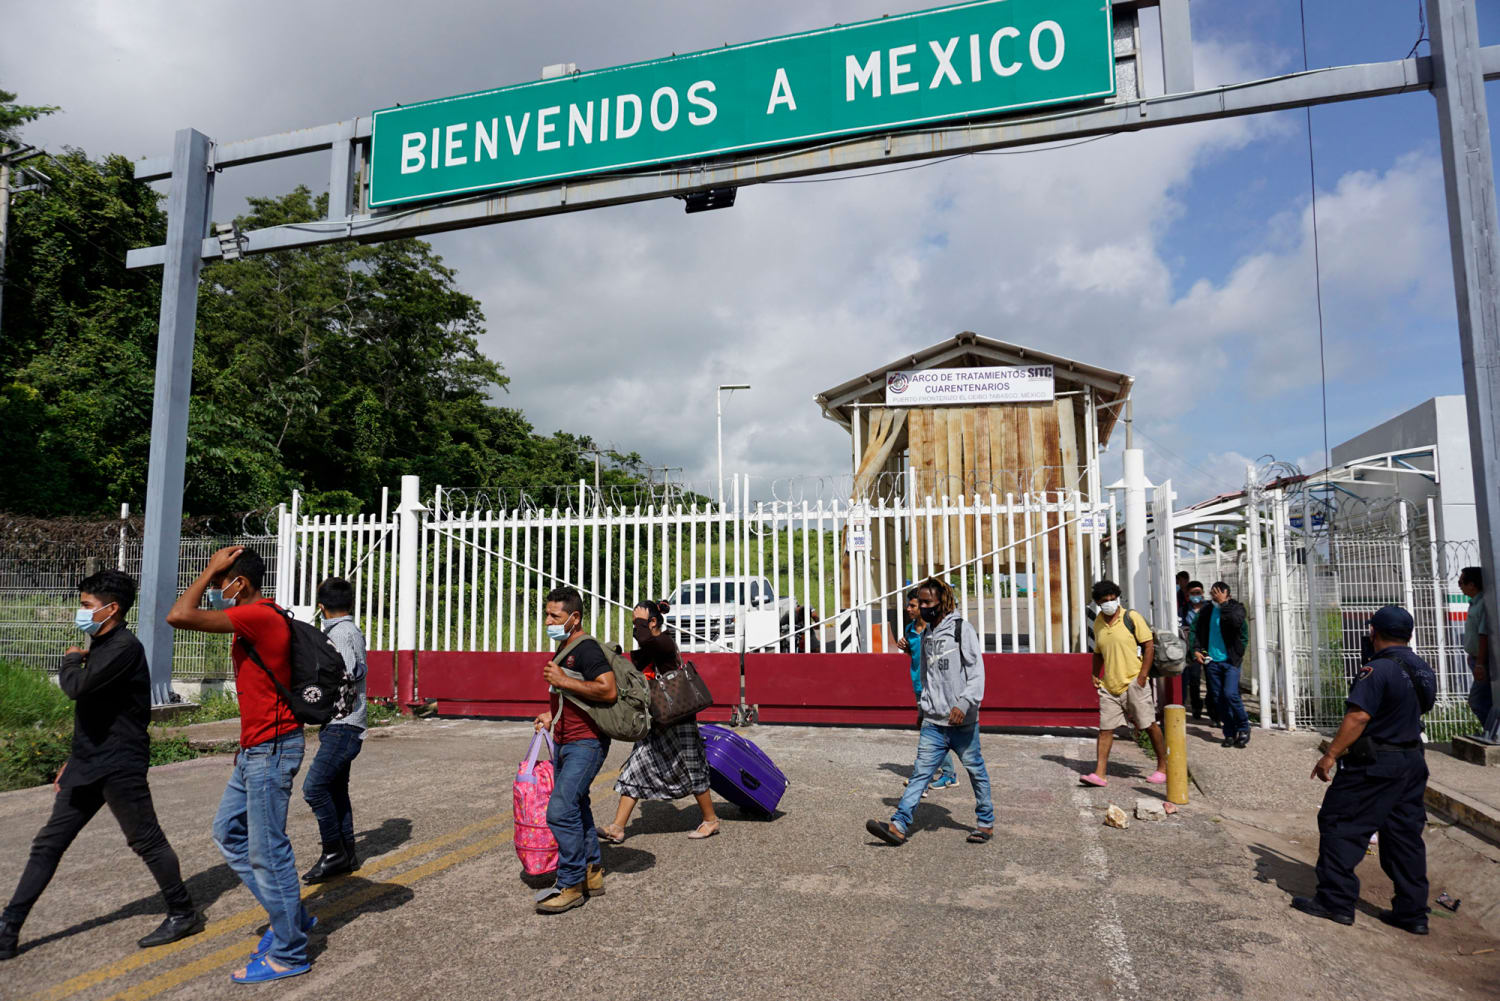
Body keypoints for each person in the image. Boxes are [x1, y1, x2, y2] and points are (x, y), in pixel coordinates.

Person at [0, 571, 202, 962]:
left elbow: (77, 688)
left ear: (112, 608)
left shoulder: (123, 647)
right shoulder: (104, 646)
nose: (81, 612)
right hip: (89, 762)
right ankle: (9, 928)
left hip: (119, 763)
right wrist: (72, 762)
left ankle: (182, 912)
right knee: (49, 843)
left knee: (145, 839)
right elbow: (93, 714)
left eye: (87, 605)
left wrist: (71, 661)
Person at [166, 547, 313, 983]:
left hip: (270, 750)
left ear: (239, 583)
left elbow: (178, 615)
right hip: (256, 750)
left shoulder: (258, 616)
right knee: (228, 832)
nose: (213, 591)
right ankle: (293, 916)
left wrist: (211, 566)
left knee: (268, 852)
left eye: (217, 584)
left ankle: (289, 952)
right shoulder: (257, 616)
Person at [1292, 606, 1436, 933]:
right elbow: (1421, 706)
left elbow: (1358, 717)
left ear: (1374, 632)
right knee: (1403, 836)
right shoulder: (1423, 669)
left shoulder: (1377, 670)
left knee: (1341, 822)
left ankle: (1335, 902)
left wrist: (1330, 755)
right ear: (1409, 634)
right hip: (1412, 761)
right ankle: (1412, 914)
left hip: (1375, 763)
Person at [866, 577, 994, 846]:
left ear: (942, 602)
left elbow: (977, 674)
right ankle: (898, 826)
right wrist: (924, 707)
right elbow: (926, 676)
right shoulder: (925, 635)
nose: (922, 606)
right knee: (920, 774)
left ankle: (985, 823)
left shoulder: (962, 630)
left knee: (976, 771)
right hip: (934, 722)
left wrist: (963, 704)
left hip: (963, 722)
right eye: (920, 602)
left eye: (927, 602)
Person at [598, 600, 719, 843]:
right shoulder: (651, 648)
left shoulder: (664, 641)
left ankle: (710, 820)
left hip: (679, 717)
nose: (636, 629)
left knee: (692, 766)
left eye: (639, 623)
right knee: (635, 767)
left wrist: (643, 626)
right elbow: (635, 662)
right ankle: (617, 827)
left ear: (653, 622)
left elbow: (645, 641)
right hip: (660, 719)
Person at [532, 586, 617, 914]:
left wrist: (564, 681)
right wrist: (550, 715)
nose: (548, 620)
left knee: (560, 810)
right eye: (547, 613)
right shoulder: (562, 648)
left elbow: (607, 690)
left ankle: (570, 884)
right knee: (578, 807)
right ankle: (592, 872)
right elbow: (570, 697)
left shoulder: (586, 649)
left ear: (574, 617)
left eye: (555, 615)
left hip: (587, 743)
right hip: (566, 740)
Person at [300, 578, 368, 883]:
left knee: (314, 788)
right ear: (351, 604)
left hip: (344, 724)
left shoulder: (341, 633)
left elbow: (347, 672)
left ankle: (333, 852)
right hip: (343, 724)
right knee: (336, 789)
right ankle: (347, 852)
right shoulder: (345, 631)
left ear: (321, 606)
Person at [1080, 580, 1168, 788]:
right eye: (1105, 601)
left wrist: (1142, 677)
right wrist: (1095, 673)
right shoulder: (1099, 622)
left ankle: (1163, 766)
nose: (1110, 603)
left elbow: (1148, 646)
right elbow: (1098, 652)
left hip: (1133, 682)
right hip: (1110, 685)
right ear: (1098, 603)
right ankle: (1100, 773)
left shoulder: (1132, 617)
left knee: (1148, 725)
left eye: (1113, 599)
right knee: (1105, 729)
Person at [895, 589, 957, 791]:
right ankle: (941, 774)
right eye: (909, 605)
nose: (909, 609)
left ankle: (938, 775)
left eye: (913, 605)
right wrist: (905, 648)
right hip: (919, 686)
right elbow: (915, 657)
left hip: (935, 687)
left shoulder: (935, 629)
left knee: (932, 731)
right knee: (932, 731)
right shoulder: (910, 629)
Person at [1192, 581, 1251, 748]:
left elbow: (1235, 622)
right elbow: (1197, 630)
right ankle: (1229, 733)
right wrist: (1197, 649)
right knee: (1218, 698)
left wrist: (1224, 604)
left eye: (1218, 593)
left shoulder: (1236, 608)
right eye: (1213, 594)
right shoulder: (1207, 610)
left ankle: (1244, 727)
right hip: (1212, 661)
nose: (1214, 597)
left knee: (1230, 694)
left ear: (1227, 594)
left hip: (1231, 660)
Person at [1458, 567, 1495, 735]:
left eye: (1461, 582)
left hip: (1483, 661)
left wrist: (1480, 663)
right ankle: (1491, 732)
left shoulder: (1483, 605)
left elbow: (1484, 634)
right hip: (1476, 659)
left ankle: (1492, 732)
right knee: (1485, 698)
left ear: (1471, 585)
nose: (1459, 586)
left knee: (1477, 700)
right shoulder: (1475, 603)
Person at [1179, 580, 1215, 723]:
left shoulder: (1210, 608)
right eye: (1193, 593)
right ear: (1188, 595)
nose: (1196, 596)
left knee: (1211, 679)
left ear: (1203, 593)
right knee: (1194, 679)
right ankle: (1196, 707)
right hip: (1192, 648)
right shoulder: (1184, 610)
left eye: (1198, 593)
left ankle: (1212, 709)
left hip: (1209, 646)